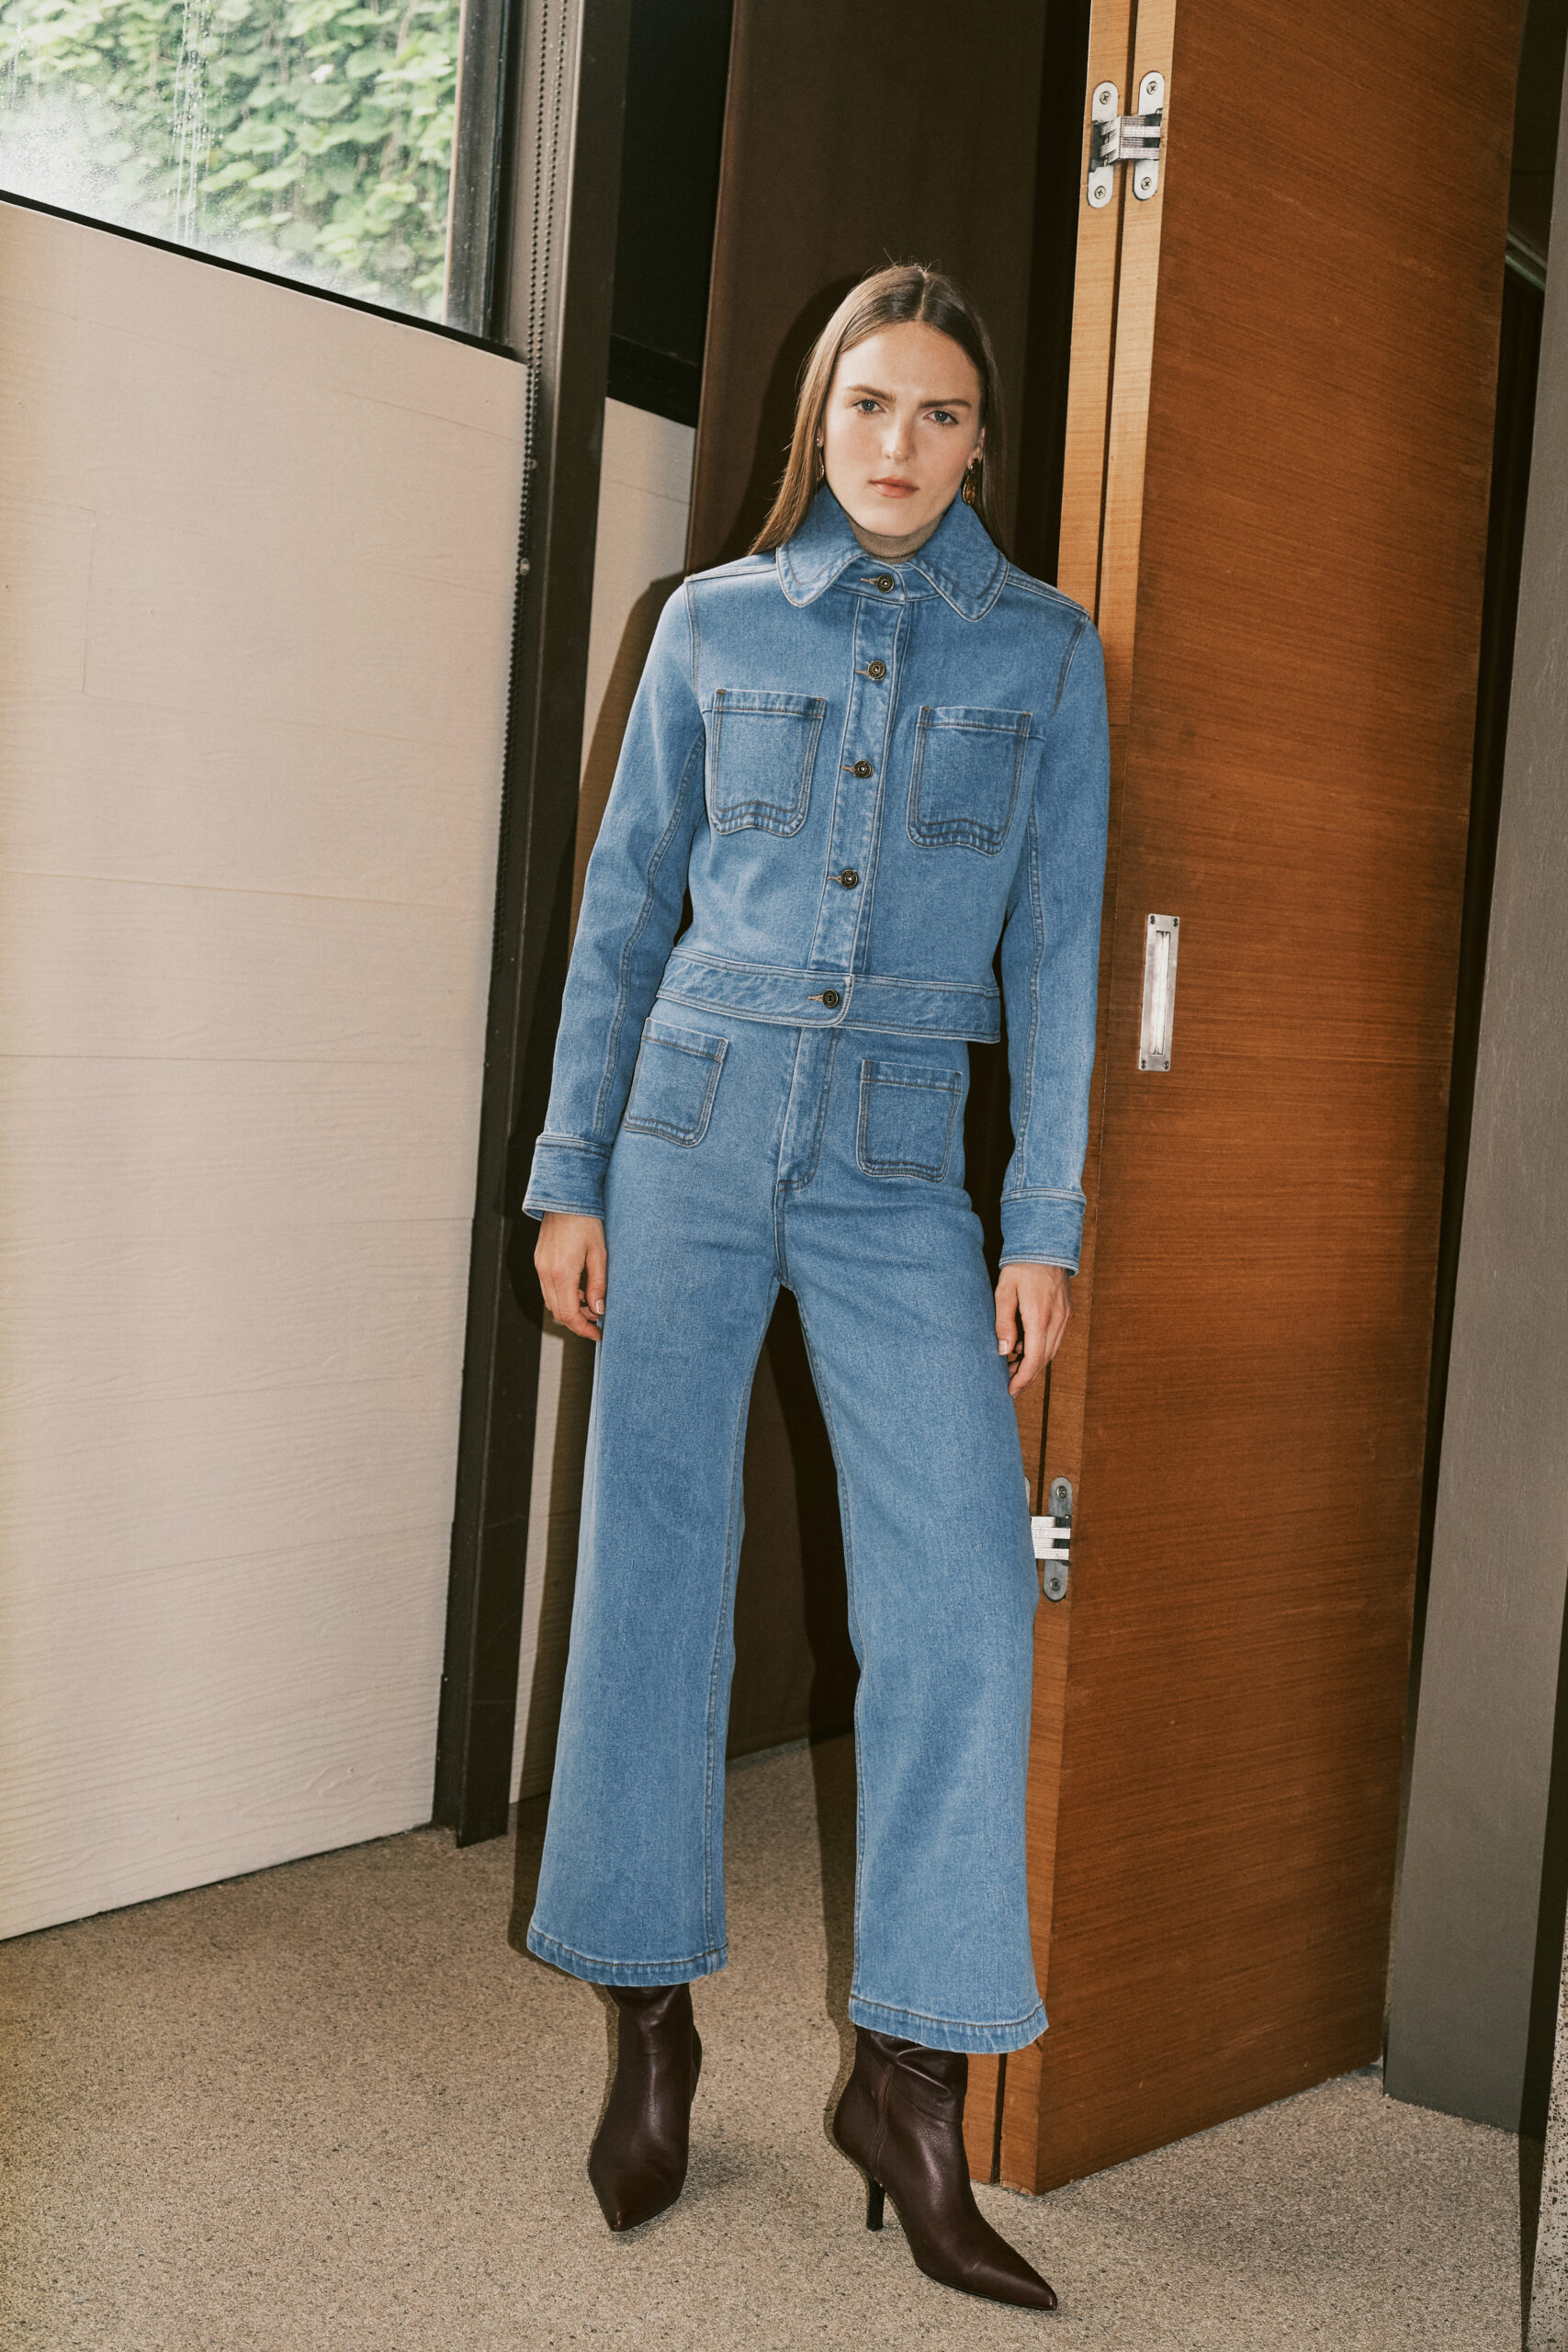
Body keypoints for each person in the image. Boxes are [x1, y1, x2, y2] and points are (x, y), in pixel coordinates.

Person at [523, 262, 1109, 2310]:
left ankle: (910, 2087)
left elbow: (1058, 949)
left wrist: (1042, 1218)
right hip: (686, 1127)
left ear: (979, 442)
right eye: (867, 403)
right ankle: (650, 2027)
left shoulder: (1044, 652)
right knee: (652, 1572)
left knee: (960, 1594)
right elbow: (621, 917)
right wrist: (569, 1173)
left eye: (936, 412)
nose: (895, 442)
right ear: (817, 417)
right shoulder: (707, 624)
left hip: (894, 1162)